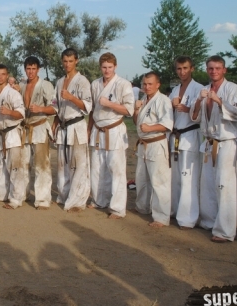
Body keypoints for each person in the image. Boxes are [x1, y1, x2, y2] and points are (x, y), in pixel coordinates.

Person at [191, 55, 237, 243]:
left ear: (224, 70)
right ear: (207, 70)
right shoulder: (205, 90)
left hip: (227, 141)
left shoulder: (232, 89)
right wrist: (199, 101)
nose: (214, 71)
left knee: (225, 185)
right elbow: (195, 117)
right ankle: (209, 221)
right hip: (209, 142)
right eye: (211, 68)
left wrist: (219, 101)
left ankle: (225, 230)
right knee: (208, 184)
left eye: (217, 68)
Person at [87, 52, 134, 219]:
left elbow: (129, 110)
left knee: (116, 170)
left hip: (114, 130)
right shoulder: (95, 84)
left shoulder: (123, 84)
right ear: (100, 67)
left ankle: (117, 208)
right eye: (104, 67)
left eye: (110, 67)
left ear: (115, 66)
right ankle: (99, 200)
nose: (107, 70)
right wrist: (88, 129)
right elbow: (92, 110)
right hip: (97, 130)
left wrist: (109, 104)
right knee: (97, 168)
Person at [51, 48, 92, 213]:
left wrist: (72, 97)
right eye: (65, 61)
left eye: (71, 61)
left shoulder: (83, 81)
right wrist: (54, 124)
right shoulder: (60, 81)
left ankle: (77, 201)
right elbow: (55, 106)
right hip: (63, 126)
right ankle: (64, 195)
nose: (67, 64)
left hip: (76, 126)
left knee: (78, 165)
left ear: (76, 61)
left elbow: (88, 106)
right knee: (62, 164)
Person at [133, 72, 173, 227]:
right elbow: (137, 123)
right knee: (141, 178)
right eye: (144, 84)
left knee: (159, 182)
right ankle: (142, 207)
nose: (147, 87)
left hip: (156, 143)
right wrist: (136, 110)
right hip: (143, 144)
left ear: (158, 85)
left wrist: (150, 128)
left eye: (150, 84)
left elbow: (168, 124)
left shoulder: (163, 100)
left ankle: (161, 217)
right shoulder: (144, 99)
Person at [168, 56, 203, 230]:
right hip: (175, 136)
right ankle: (175, 210)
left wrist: (188, 109)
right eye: (179, 69)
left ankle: (188, 218)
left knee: (188, 178)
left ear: (192, 69)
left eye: (185, 68)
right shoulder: (175, 90)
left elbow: (202, 115)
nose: (182, 72)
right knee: (175, 178)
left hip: (190, 136)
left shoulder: (199, 89)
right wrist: (171, 105)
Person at [0, 64, 25, 208]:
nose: (0, 77)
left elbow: (21, 114)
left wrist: (9, 112)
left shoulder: (13, 93)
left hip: (12, 132)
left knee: (14, 167)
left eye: (3, 74)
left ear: (7, 75)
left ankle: (16, 199)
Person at [19, 56, 56, 210]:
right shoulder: (21, 85)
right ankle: (22, 194)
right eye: (28, 69)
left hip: (39, 126)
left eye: (33, 69)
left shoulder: (46, 85)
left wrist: (40, 109)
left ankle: (42, 199)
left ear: (38, 69)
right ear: (25, 69)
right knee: (23, 164)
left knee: (42, 164)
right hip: (25, 128)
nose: (31, 72)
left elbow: (55, 108)